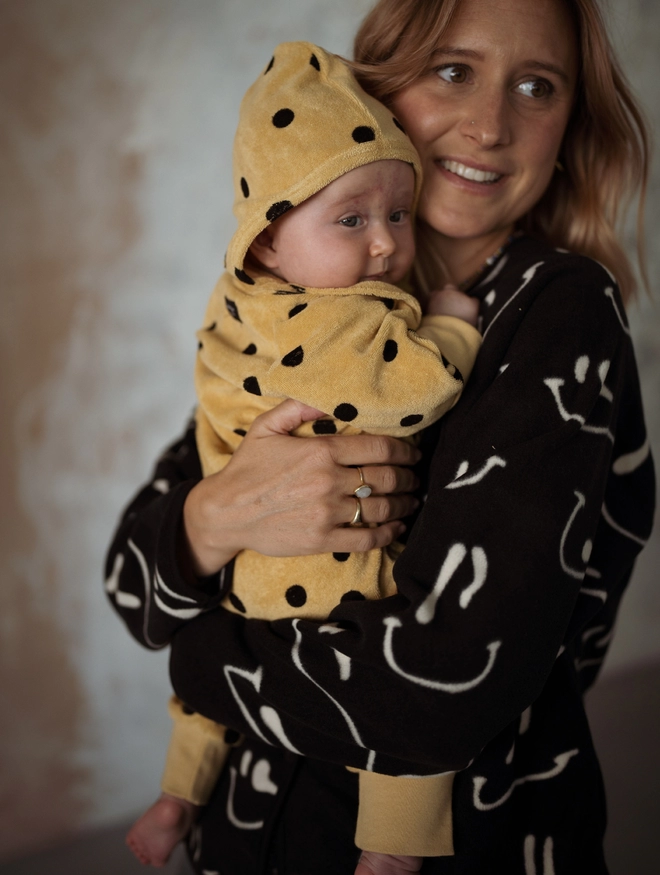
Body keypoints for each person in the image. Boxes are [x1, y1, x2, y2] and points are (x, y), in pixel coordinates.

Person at [105, 0, 655, 872]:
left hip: (470, 840)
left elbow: (439, 691)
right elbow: (132, 586)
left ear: (568, 125)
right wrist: (218, 515)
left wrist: (201, 653)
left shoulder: (559, 312)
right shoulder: (298, 299)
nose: (488, 124)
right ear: (380, 87)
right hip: (245, 833)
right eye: (452, 70)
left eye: (536, 86)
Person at [124, 41, 482, 872]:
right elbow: (407, 388)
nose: (388, 246)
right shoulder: (327, 320)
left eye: (397, 213)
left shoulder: (246, 303)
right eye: (350, 219)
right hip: (331, 566)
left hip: (251, 568)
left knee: (211, 690)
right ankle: (391, 849)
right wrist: (453, 324)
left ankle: (177, 796)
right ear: (266, 244)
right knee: (399, 698)